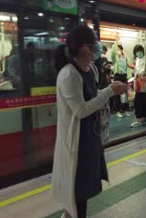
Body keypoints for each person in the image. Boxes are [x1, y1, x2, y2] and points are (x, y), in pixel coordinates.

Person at [51, 25, 127, 218]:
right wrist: (110, 92)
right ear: (85, 47)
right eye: (94, 42)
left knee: (80, 192)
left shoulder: (91, 69)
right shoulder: (68, 75)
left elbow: (92, 96)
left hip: (91, 139)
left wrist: (109, 89)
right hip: (77, 143)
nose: (97, 46)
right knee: (78, 193)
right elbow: (80, 110)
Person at [111, 43, 133, 118]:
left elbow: (128, 68)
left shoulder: (126, 59)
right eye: (116, 50)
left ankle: (126, 110)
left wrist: (129, 77)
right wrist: (116, 42)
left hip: (124, 76)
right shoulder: (115, 59)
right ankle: (117, 111)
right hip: (117, 76)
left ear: (121, 50)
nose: (117, 51)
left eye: (118, 50)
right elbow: (113, 53)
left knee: (125, 94)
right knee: (117, 94)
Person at [130, 44, 146, 128]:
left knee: (140, 101)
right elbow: (137, 71)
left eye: (139, 51)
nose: (138, 53)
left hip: (142, 82)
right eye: (136, 51)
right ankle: (142, 118)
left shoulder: (145, 59)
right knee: (139, 100)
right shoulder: (138, 59)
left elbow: (142, 71)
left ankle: (141, 119)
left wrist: (135, 69)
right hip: (138, 82)